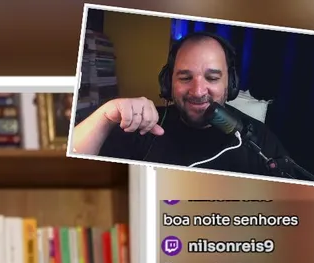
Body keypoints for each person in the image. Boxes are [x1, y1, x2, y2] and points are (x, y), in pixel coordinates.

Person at [70, 30, 292, 176]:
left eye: (212, 78)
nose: (198, 91)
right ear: (168, 83)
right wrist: (105, 116)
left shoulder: (258, 139)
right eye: (185, 78)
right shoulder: (141, 127)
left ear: (231, 83)